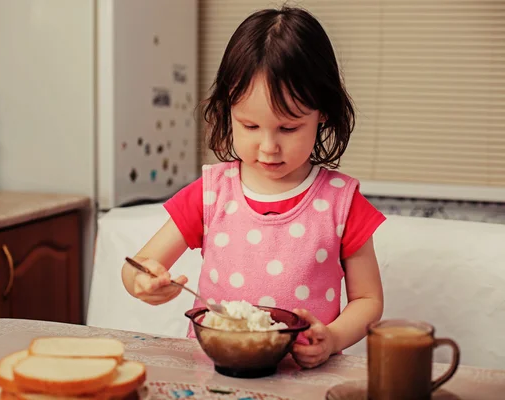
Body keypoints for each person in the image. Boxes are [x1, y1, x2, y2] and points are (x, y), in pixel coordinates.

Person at [122, 5, 384, 369]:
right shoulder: (212, 193)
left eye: (288, 128)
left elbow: (368, 299)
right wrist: (145, 283)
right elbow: (137, 267)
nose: (268, 147)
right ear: (228, 110)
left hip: (304, 377)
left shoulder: (341, 202)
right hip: (212, 375)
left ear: (322, 112)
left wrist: (333, 338)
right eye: (249, 125)